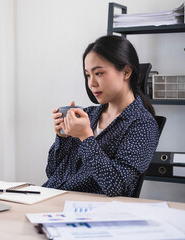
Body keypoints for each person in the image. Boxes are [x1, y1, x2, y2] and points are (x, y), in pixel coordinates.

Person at [42, 35, 159, 197]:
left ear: (126, 72)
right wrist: (62, 138)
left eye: (99, 73)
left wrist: (86, 138)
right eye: (88, 75)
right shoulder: (87, 115)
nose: (91, 83)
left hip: (88, 211)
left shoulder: (143, 125)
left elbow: (115, 186)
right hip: (51, 199)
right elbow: (53, 173)